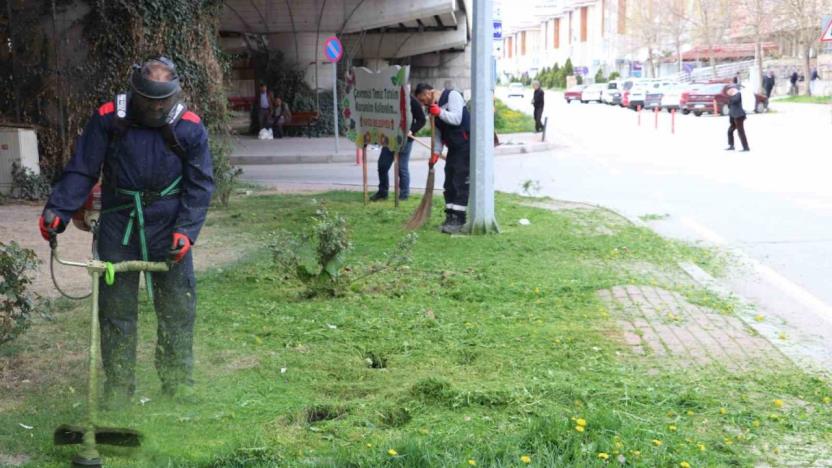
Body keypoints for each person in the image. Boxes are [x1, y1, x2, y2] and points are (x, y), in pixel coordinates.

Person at [39, 56, 214, 403]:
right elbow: (83, 169)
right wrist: (58, 209)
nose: (155, 108)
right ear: (136, 93)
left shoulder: (189, 127)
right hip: (120, 223)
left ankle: (177, 381)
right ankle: (118, 387)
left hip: (169, 226)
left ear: (173, 97)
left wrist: (187, 230)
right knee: (116, 311)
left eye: (162, 102)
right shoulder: (109, 119)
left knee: (178, 307)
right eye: (149, 101)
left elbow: (200, 184)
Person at [415, 82, 470, 234]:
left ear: (429, 93)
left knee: (460, 182)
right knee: (449, 182)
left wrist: (439, 112)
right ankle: (450, 216)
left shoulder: (452, 95)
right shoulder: (432, 109)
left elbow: (457, 118)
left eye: (423, 99)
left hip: (465, 145)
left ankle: (459, 219)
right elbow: (438, 134)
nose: (423, 103)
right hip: (453, 148)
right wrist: (436, 153)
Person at [370, 91, 426, 201]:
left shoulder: (411, 101)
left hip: (405, 139)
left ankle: (404, 195)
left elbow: (422, 120)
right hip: (389, 138)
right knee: (382, 165)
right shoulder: (388, 98)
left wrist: (412, 130)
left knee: (401, 168)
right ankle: (383, 192)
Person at [725, 85, 749, 152]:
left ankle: (746, 147)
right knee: (730, 131)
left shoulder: (738, 94)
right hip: (733, 116)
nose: (728, 93)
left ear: (732, 89)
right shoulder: (732, 96)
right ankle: (731, 145)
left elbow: (735, 101)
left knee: (740, 132)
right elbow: (729, 105)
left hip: (739, 116)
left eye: (728, 91)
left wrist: (731, 96)